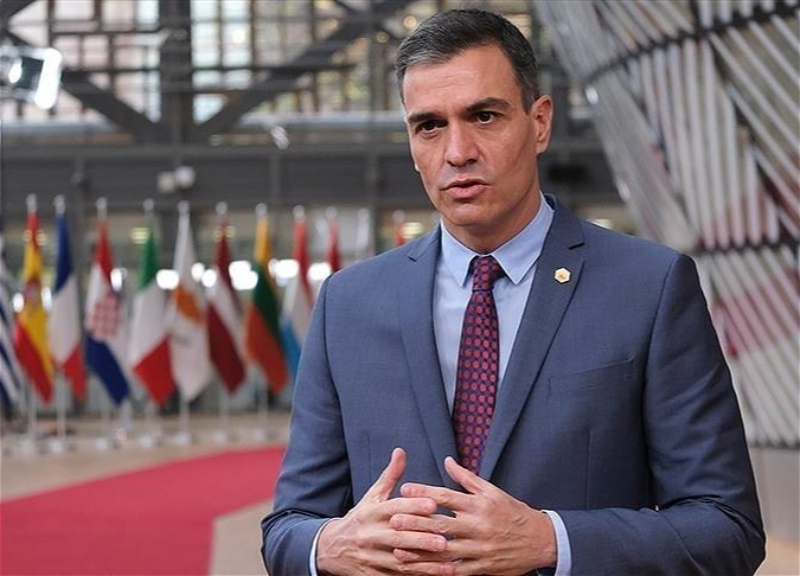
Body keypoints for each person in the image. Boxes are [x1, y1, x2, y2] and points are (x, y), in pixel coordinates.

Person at [261, 9, 765, 576]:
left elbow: (728, 528)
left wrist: (553, 540)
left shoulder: (650, 288)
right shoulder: (347, 304)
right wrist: (329, 544)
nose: (457, 151)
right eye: (429, 125)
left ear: (540, 122)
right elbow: (287, 529)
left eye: (484, 116)